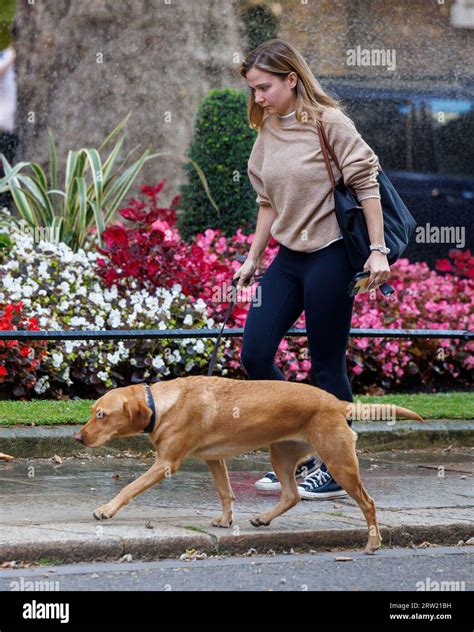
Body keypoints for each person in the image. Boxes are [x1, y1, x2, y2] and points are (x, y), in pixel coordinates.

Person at [234, 39, 390, 500]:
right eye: (253, 89)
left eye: (264, 87)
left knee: (326, 364)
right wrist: (253, 256)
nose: (258, 97)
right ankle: (301, 444)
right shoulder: (268, 130)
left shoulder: (330, 123)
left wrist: (376, 250)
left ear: (291, 79)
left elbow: (366, 184)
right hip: (288, 258)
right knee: (255, 353)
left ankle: (334, 464)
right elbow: (267, 202)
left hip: (331, 256)